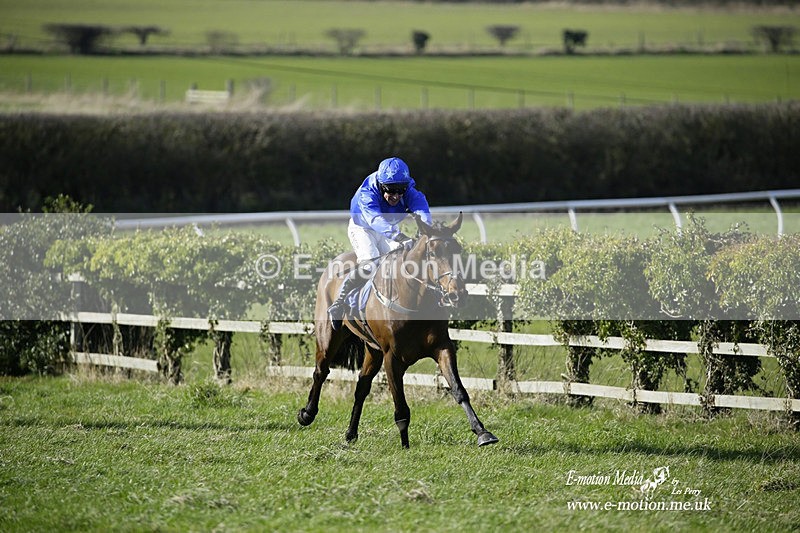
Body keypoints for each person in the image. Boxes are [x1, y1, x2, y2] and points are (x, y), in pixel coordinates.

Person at [328, 157, 432, 328]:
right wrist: (399, 237)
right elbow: (374, 220)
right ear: (381, 185)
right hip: (363, 228)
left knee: (404, 259)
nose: (396, 195)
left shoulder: (409, 192)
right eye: (391, 190)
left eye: (401, 190)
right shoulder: (367, 192)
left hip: (388, 230)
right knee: (371, 263)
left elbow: (422, 211)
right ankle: (339, 303)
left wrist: (425, 233)